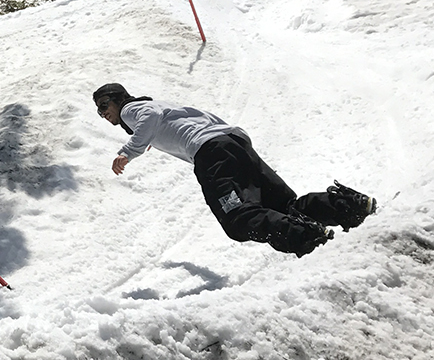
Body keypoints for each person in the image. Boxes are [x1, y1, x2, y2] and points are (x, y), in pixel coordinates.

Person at [93, 83, 376, 258]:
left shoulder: (134, 109)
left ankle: (309, 238)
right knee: (283, 206)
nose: (103, 113)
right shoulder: (162, 107)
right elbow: (160, 121)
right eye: (98, 111)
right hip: (235, 142)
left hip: (211, 152)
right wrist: (152, 138)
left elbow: (150, 118)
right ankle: (349, 205)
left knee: (237, 218)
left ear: (119, 99)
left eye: (105, 105)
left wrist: (127, 152)